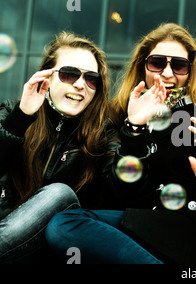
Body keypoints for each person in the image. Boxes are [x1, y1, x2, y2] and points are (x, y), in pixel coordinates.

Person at [45, 23, 196, 264]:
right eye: (157, 63)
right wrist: (134, 128)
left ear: (190, 71)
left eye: (179, 65)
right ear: (143, 66)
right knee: (64, 224)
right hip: (137, 229)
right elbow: (118, 193)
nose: (168, 73)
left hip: (191, 235)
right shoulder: (117, 116)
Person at [0, 31, 116, 263]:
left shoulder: (103, 136)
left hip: (52, 250)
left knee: (59, 193)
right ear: (47, 77)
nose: (81, 84)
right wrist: (21, 117)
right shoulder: (12, 113)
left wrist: (135, 131)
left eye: (91, 78)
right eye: (69, 74)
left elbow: (120, 194)